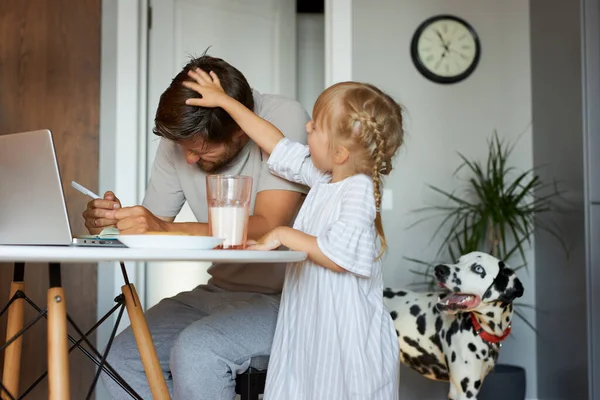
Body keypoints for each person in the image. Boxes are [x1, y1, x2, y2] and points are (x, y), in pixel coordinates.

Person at [85, 54, 310, 399]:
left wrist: (159, 227)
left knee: (197, 351)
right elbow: (154, 223)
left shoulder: (281, 117)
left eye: (202, 150)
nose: (189, 159)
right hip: (219, 290)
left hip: (290, 299)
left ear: (239, 128)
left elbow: (268, 225)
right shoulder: (182, 138)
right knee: (122, 358)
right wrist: (114, 223)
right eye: (183, 148)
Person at [183, 68, 403, 399]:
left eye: (315, 127)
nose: (306, 128)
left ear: (340, 153)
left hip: (343, 341)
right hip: (313, 331)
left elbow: (338, 255)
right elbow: (275, 143)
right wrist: (225, 102)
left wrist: (283, 234)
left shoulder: (356, 190)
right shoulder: (326, 179)